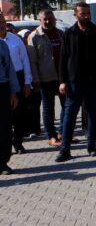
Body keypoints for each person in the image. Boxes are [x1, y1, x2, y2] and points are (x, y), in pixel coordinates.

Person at [56, 2, 96, 162]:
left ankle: (91, 146)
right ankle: (65, 150)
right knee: (69, 116)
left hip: (94, 81)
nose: (87, 16)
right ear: (76, 15)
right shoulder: (69, 34)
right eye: (83, 14)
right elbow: (62, 60)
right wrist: (62, 81)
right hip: (74, 82)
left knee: (93, 115)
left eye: (88, 13)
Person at [27, 10, 66, 147]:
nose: (48, 21)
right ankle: (52, 136)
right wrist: (35, 80)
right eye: (45, 19)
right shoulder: (34, 37)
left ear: (54, 19)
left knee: (66, 106)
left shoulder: (60, 34)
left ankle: (63, 134)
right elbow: (32, 61)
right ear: (40, 20)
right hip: (45, 79)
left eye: (50, 18)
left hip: (61, 77)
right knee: (48, 109)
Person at [0, 18, 32, 154]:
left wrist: (27, 82)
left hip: (17, 78)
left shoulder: (15, 39)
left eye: (2, 21)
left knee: (19, 114)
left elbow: (25, 60)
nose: (1, 25)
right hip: (2, 81)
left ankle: (18, 143)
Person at [0, 38, 19, 174]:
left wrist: (13, 92)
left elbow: (9, 68)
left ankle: (2, 163)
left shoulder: (2, 45)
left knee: (4, 128)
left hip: (2, 89)